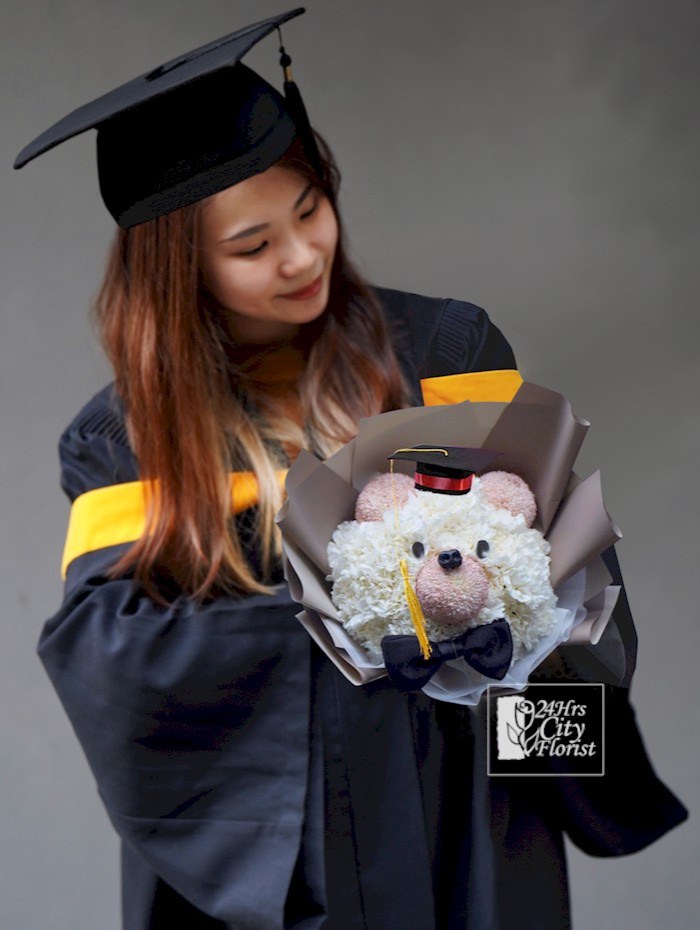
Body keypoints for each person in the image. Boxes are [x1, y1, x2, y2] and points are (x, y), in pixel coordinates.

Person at [15, 8, 686, 930]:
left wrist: (523, 666)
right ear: (181, 273)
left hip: (467, 818)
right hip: (283, 855)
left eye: (310, 208)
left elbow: (563, 587)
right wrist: (361, 621)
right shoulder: (127, 442)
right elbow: (122, 671)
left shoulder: (448, 350)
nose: (302, 256)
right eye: (252, 247)